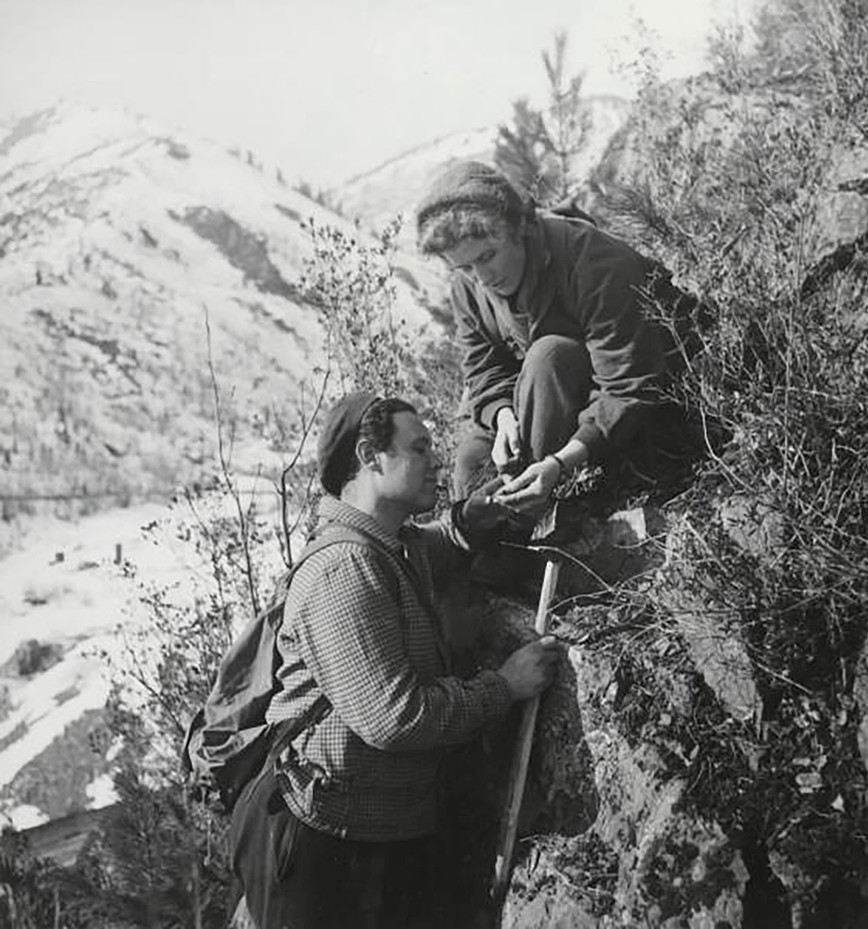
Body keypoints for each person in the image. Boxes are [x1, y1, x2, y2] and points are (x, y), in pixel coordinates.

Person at [229, 391, 562, 929]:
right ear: (369, 456)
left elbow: (436, 543)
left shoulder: (387, 546)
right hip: (322, 846)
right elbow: (395, 718)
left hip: (367, 835)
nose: (436, 459)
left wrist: (478, 516)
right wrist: (505, 685)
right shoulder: (345, 568)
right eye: (420, 447)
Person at [414, 160, 677, 519]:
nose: (483, 277)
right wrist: (503, 416)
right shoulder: (469, 284)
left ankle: (527, 524)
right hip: (556, 398)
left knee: (549, 355)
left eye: (488, 256)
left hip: (654, 400)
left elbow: (628, 384)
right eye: (465, 267)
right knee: (473, 454)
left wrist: (561, 462)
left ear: (518, 226)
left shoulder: (591, 258)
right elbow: (483, 368)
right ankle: (482, 539)